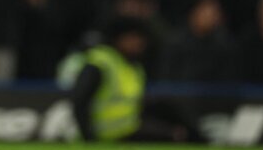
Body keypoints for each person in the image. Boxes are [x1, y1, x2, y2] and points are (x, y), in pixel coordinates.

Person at [57, 17, 198, 142]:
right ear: (120, 38)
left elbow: (135, 105)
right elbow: (80, 101)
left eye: (141, 39)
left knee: (173, 130)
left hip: (127, 131)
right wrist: (89, 138)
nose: (139, 43)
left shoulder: (134, 67)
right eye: (134, 38)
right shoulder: (101, 62)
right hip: (102, 136)